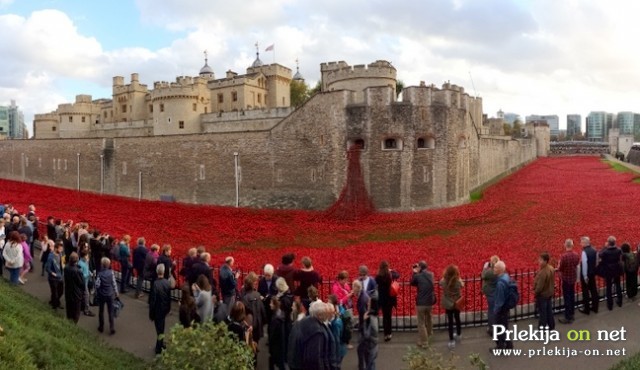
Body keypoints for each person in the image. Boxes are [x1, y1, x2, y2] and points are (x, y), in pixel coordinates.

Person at [411, 260, 435, 348]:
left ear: (420, 268)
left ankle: (424, 342)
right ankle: (429, 334)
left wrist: (414, 272)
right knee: (429, 318)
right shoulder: (431, 274)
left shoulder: (418, 276)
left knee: (421, 323)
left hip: (421, 303)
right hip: (429, 302)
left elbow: (412, 283)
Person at [150, 263, 172, 354]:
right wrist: (168, 309)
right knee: (161, 328)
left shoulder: (155, 284)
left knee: (159, 329)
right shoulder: (167, 282)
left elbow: (153, 300)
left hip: (157, 310)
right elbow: (169, 298)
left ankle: (158, 348)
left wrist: (151, 313)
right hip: (164, 309)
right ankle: (161, 344)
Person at [375, 260, 400, 342]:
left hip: (382, 299)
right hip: (390, 299)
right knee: (388, 317)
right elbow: (398, 275)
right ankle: (389, 333)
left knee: (384, 316)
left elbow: (375, 283)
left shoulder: (378, 276)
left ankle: (386, 334)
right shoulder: (390, 275)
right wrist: (392, 270)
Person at [557, 239, 580, 324]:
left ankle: (567, 316)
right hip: (572, 278)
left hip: (566, 279)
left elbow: (560, 268)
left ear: (565, 245)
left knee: (567, 297)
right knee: (572, 296)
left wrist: (559, 266)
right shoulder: (576, 255)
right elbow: (577, 264)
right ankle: (572, 313)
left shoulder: (564, 256)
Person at [440, 264, 463, 349]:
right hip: (457, 302)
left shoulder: (444, 281)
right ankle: (459, 334)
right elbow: (462, 285)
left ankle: (451, 339)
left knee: (450, 321)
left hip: (448, 303)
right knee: (457, 318)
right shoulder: (458, 281)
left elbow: (440, 283)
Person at [242, 272, 267, 348]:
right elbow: (262, 311)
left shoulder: (243, 294)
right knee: (254, 347)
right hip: (255, 327)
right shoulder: (257, 295)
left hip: (248, 326)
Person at [598, 236, 623, 310]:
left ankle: (610, 305)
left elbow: (600, 255)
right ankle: (620, 301)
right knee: (618, 285)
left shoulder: (605, 251)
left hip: (608, 271)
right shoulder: (619, 250)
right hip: (617, 270)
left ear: (608, 243)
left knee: (609, 288)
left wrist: (604, 247)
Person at [492, 261, 513, 350]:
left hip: (501, 309)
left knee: (498, 328)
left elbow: (499, 300)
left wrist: (496, 311)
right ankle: (509, 344)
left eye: (495, 268)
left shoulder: (500, 283)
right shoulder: (506, 277)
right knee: (504, 327)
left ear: (500, 270)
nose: (494, 269)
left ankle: (500, 346)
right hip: (506, 307)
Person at [95, 257, 118, 335]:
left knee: (101, 311)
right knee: (110, 311)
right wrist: (116, 293)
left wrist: (97, 292)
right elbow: (114, 283)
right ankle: (112, 327)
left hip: (102, 294)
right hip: (110, 294)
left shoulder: (100, 274)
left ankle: (101, 327)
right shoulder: (111, 272)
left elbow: (97, 285)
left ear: (102, 264)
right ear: (109, 265)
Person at [534, 252, 555, 330]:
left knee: (543, 312)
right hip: (549, 293)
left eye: (541, 260)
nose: (539, 261)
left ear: (545, 261)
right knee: (549, 310)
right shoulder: (551, 268)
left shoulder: (543, 272)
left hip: (543, 294)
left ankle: (542, 327)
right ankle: (551, 325)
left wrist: (536, 292)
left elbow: (540, 286)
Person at [64, 252, 85, 323]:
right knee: (76, 313)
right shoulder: (78, 271)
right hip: (76, 294)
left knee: (69, 311)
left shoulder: (66, 268)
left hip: (68, 293)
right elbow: (81, 284)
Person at [579, 236, 599, 314]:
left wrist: (584, 276)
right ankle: (595, 307)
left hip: (586, 274)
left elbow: (584, 264)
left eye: (581, 242)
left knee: (585, 292)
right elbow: (597, 262)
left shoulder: (584, 252)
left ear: (584, 243)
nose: (580, 244)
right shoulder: (594, 250)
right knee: (593, 290)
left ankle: (586, 309)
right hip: (592, 273)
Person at [481, 256, 499, 335]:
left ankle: (491, 329)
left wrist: (484, 268)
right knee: (496, 310)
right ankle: (497, 327)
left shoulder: (490, 272)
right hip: (497, 293)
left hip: (490, 293)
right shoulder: (500, 271)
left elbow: (483, 276)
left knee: (491, 311)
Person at [268, 297, 286, 370]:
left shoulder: (276, 319)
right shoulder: (281, 315)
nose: (270, 305)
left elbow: (272, 334)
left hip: (276, 346)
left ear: (275, 305)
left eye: (271, 303)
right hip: (280, 346)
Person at [46, 240, 64, 308]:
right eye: (60, 249)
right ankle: (55, 306)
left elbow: (61, 263)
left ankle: (54, 301)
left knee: (61, 291)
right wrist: (54, 274)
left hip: (60, 277)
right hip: (53, 278)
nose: (61, 250)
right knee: (55, 293)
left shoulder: (60, 254)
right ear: (56, 248)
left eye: (62, 249)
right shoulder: (51, 257)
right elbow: (47, 268)